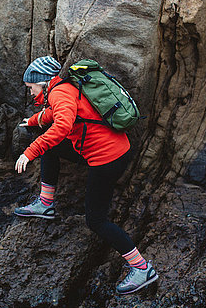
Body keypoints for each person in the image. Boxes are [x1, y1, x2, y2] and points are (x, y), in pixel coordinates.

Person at [14, 56, 158, 295]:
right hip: (115, 150)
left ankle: (142, 269)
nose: (31, 93)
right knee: (50, 147)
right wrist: (32, 120)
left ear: (43, 82)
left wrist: (29, 153)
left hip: (106, 160)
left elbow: (61, 127)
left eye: (32, 88)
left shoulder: (59, 94)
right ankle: (46, 204)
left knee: (96, 220)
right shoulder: (64, 88)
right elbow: (55, 114)